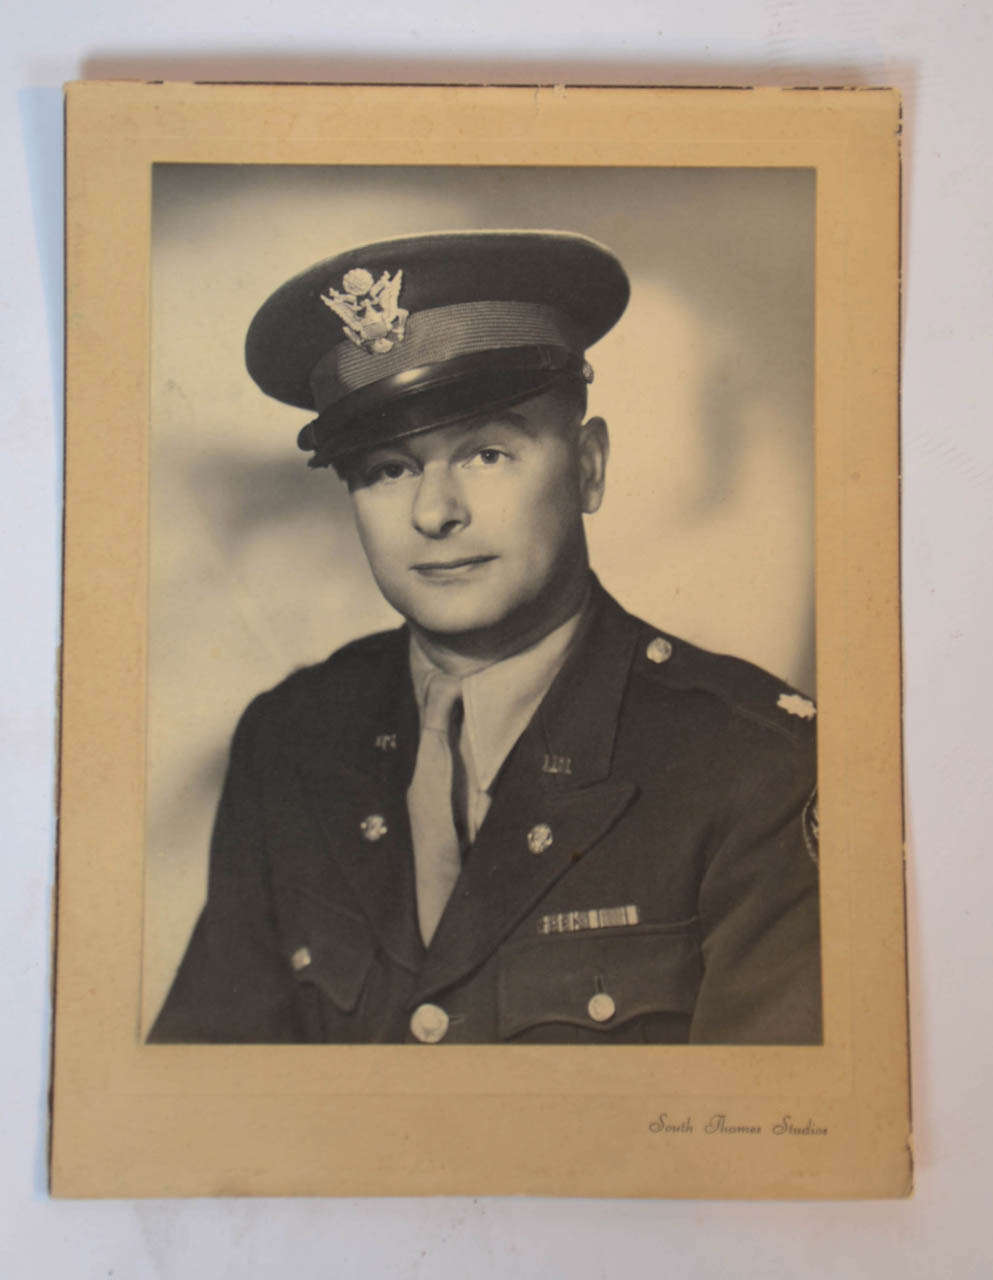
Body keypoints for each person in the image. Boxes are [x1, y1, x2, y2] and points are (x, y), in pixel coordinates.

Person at [149, 230, 820, 1046]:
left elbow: (761, 1146)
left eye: (487, 453)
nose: (434, 513)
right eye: (388, 470)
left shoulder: (755, 766)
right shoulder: (291, 740)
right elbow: (209, 1108)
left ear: (587, 467)